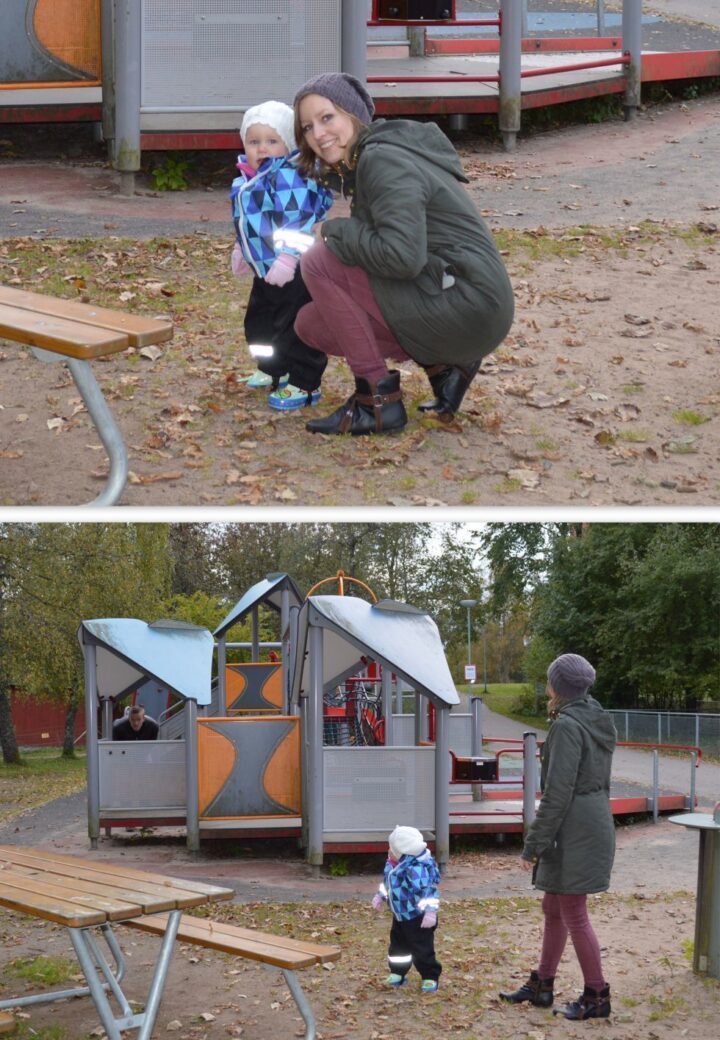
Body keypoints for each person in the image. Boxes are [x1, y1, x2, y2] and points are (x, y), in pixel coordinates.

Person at [291, 73, 514, 436]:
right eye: (307, 126)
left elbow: (401, 256)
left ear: (354, 114)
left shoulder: (383, 160)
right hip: (463, 303)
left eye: (327, 117)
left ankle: (377, 403)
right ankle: (444, 365)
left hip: (469, 302)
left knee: (319, 261)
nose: (318, 133)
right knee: (311, 323)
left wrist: (333, 231)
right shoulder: (371, 159)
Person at [499, 653, 617, 1020]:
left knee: (573, 912)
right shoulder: (594, 716)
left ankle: (597, 995)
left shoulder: (568, 726)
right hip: (587, 818)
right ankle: (543, 985)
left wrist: (532, 845)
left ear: (558, 687)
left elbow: (558, 792)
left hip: (575, 825)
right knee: (553, 907)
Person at [230, 100, 334, 410]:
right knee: (260, 321)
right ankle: (272, 367)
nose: (262, 148)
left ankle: (304, 381)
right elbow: (249, 223)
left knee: (296, 323)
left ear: (288, 145)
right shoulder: (248, 179)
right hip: (266, 267)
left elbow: (298, 220)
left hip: (295, 267)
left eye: (271, 141)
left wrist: (288, 259)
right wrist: (242, 249)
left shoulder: (290, 176)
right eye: (254, 141)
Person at [371, 825, 441, 993]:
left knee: (421, 948)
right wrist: (380, 895)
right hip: (400, 915)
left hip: (418, 918)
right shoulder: (393, 865)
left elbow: (429, 892)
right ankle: (398, 972)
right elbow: (388, 885)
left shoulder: (416, 869)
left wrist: (430, 913)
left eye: (392, 848)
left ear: (403, 851)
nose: (389, 851)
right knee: (397, 947)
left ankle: (430, 976)